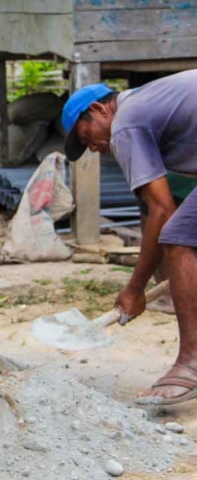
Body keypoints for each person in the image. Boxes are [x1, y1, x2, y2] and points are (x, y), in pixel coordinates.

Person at [62, 69, 197, 406]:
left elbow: (162, 211)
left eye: (85, 136)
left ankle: (191, 363)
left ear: (98, 109)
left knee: (179, 237)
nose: (92, 148)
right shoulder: (146, 102)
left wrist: (135, 289)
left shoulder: (126, 125)